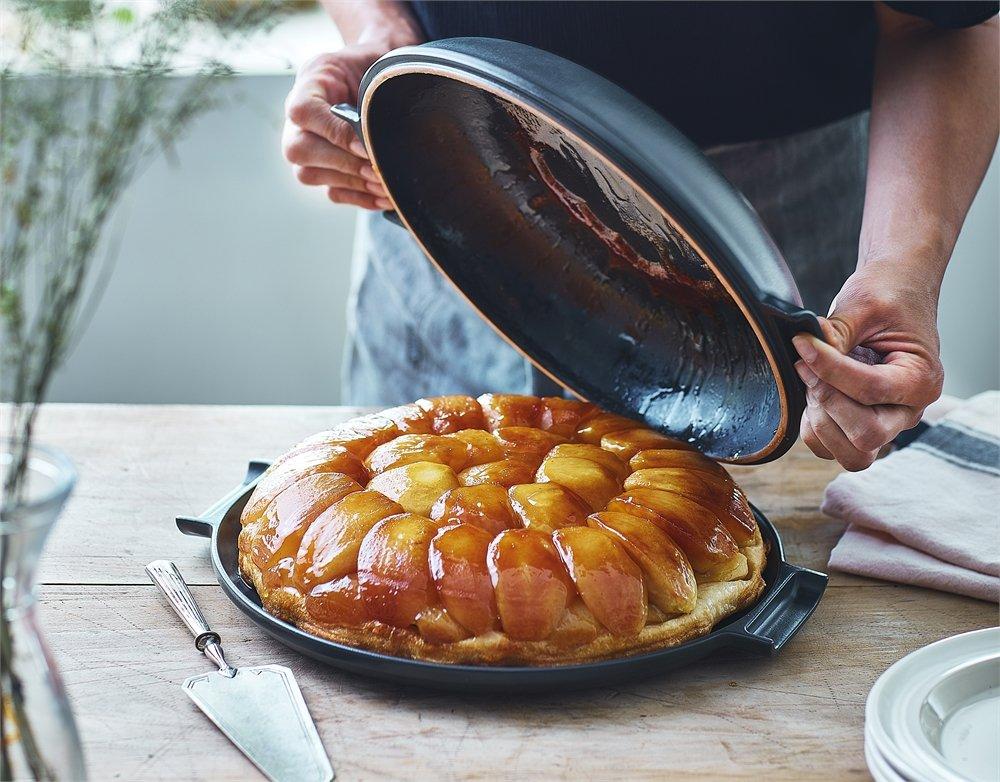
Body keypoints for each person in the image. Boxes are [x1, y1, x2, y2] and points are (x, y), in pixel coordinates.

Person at [282, 1, 999, 471]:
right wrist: (381, 33)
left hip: (772, 225)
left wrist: (898, 267)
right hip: (447, 165)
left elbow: (938, 20)